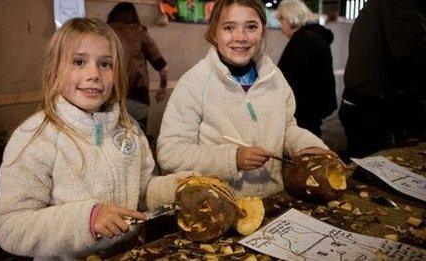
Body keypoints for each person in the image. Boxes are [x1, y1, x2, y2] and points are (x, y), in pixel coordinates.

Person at [0, 18, 192, 259]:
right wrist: (88, 219)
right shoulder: (34, 138)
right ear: (55, 69)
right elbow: (10, 227)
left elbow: (143, 191)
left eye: (105, 64)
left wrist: (179, 188)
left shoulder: (129, 130)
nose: (94, 74)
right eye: (79, 62)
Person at [157, 0, 336, 198]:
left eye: (251, 27)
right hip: (222, 207)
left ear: (262, 30)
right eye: (228, 27)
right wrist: (232, 158)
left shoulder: (274, 78)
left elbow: (286, 129)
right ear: (214, 33)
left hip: (274, 201)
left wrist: (308, 146)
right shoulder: (194, 83)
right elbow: (170, 153)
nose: (240, 37)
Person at [339, 0, 426, 158]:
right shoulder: (400, 5)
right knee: (380, 173)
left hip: (367, 104)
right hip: (377, 110)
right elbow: (414, 59)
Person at [276, 0, 337, 137]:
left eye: (282, 20)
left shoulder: (302, 40)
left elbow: (290, 79)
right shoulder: (315, 37)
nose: (281, 26)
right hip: (314, 108)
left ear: (291, 18)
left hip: (303, 112)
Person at [107, 2, 168, 134]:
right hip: (137, 97)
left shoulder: (104, 33)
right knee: (138, 140)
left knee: (110, 142)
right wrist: (162, 88)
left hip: (108, 97)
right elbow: (163, 68)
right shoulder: (140, 32)